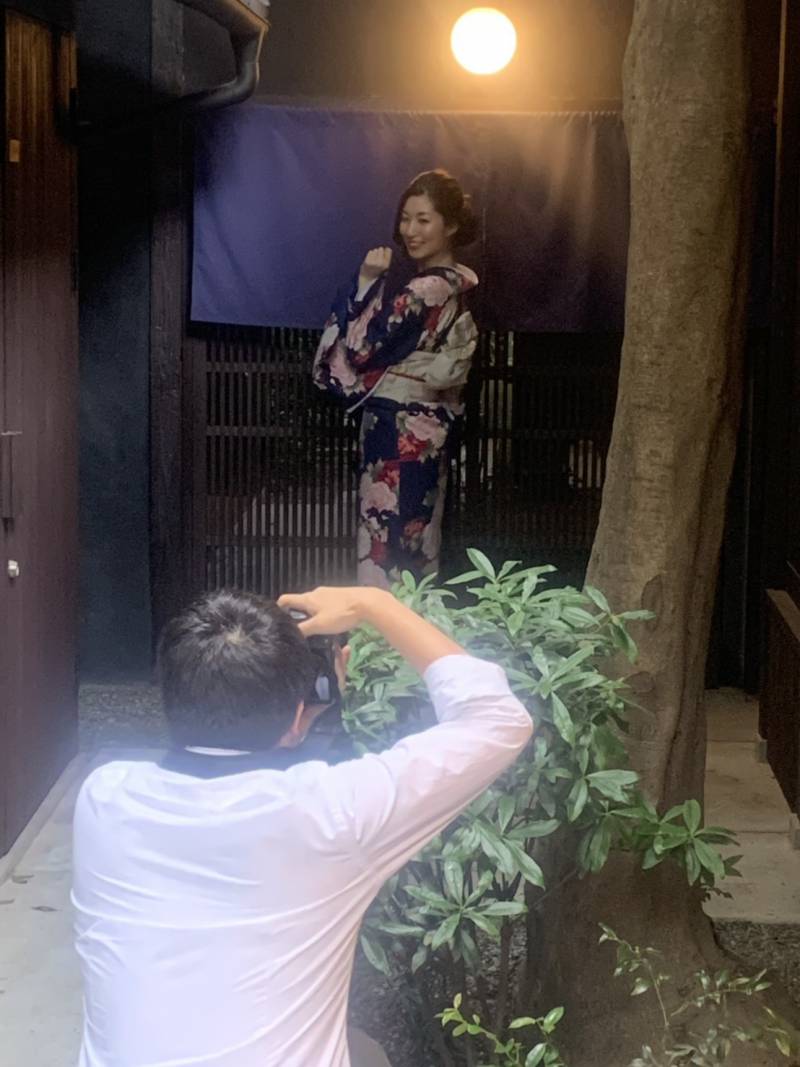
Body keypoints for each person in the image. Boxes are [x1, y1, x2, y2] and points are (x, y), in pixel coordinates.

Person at [72, 586, 533, 1067]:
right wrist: (375, 604)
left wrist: (298, 718)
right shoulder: (335, 815)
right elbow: (498, 719)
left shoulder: (103, 799)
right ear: (298, 713)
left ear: (167, 694)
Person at [313, 169, 480, 588]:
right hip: (428, 426)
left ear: (451, 225)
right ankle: (413, 623)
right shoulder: (455, 283)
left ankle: (380, 625)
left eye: (423, 220)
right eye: (405, 219)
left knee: (385, 537)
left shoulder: (424, 290)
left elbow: (361, 349)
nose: (410, 231)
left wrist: (366, 282)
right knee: (418, 538)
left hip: (397, 425)